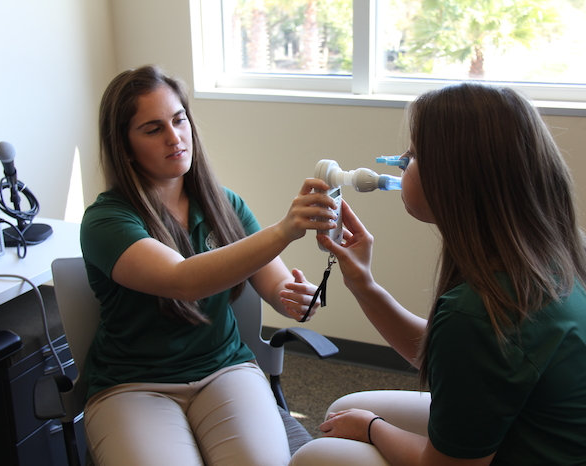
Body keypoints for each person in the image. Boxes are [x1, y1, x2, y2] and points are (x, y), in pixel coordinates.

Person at [290, 83, 586, 465]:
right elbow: (454, 357)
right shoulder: (555, 251)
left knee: (318, 455)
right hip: (539, 428)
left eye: (412, 155)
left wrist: (372, 428)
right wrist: (362, 284)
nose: (400, 161)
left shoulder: (475, 312)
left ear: (455, 177)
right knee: (345, 407)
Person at [80, 65, 338, 466]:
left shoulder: (225, 204)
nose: (174, 137)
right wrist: (285, 229)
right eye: (152, 129)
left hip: (224, 369)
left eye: (179, 119)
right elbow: (182, 280)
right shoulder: (106, 221)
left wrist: (298, 299)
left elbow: (276, 286)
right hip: (132, 385)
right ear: (123, 145)